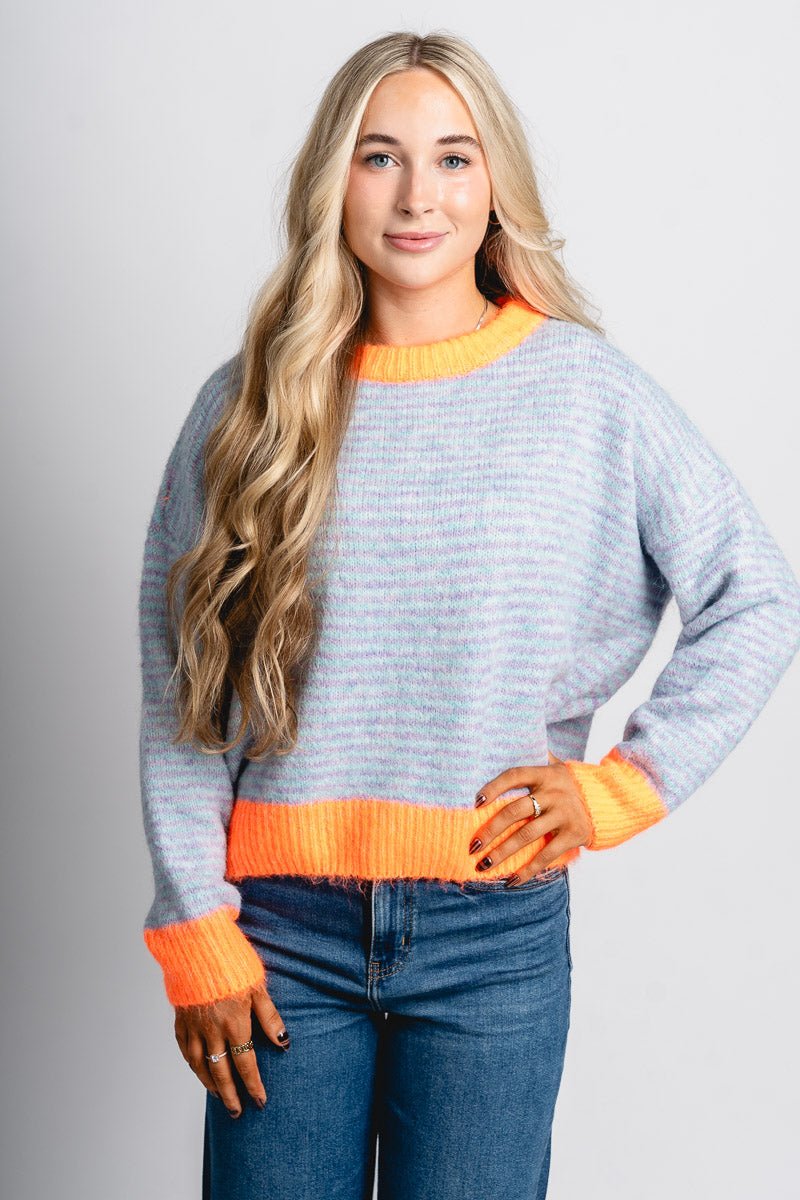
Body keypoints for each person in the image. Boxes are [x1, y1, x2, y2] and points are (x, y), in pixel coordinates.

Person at [137, 30, 800, 1200]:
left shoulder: (583, 391)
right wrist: (195, 928)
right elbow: (182, 691)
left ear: (495, 184)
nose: (416, 195)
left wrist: (614, 791)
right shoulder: (247, 406)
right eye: (378, 156)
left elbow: (754, 594)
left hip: (491, 939)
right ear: (332, 180)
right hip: (276, 941)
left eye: (452, 157)